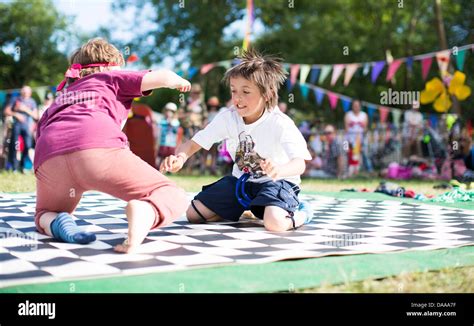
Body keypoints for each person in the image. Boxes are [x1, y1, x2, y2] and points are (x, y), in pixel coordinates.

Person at [34, 38, 190, 253]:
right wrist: (178, 81)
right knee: (171, 194)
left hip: (50, 154)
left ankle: (57, 222)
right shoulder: (112, 76)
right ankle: (146, 210)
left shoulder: (64, 95)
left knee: (43, 213)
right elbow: (161, 76)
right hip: (96, 146)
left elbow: (41, 129)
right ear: (114, 65)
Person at [161, 49, 313, 232]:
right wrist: (181, 158)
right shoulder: (228, 117)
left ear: (267, 94)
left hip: (277, 182)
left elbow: (300, 164)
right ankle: (243, 208)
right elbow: (194, 143)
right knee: (194, 215)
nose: (238, 98)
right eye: (234, 91)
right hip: (241, 182)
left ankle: (302, 212)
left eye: (246, 91)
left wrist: (280, 169)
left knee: (275, 224)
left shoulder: (280, 123)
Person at [4, 86, 38, 172]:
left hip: (26, 126)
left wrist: (25, 109)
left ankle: (22, 166)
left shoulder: (32, 102)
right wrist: (16, 114)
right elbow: (6, 111)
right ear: (21, 92)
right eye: (24, 91)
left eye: (27, 92)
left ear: (30, 93)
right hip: (16, 125)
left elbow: (36, 116)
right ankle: (14, 166)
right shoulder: (16, 99)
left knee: (27, 145)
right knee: (14, 146)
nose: (25, 93)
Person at [344, 100, 368, 176]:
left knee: (359, 156)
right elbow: (346, 129)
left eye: (357, 105)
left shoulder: (364, 115)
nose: (356, 107)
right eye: (354, 105)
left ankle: (359, 171)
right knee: (348, 154)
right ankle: (348, 171)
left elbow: (365, 128)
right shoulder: (348, 114)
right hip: (349, 140)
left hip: (360, 139)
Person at [156, 102, 181, 168]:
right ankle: (159, 167)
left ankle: (170, 169)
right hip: (163, 143)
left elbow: (176, 131)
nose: (168, 113)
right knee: (161, 156)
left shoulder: (176, 122)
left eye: (171, 111)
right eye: (167, 110)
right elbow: (159, 128)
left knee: (170, 157)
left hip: (172, 144)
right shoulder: (162, 121)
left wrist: (171, 123)